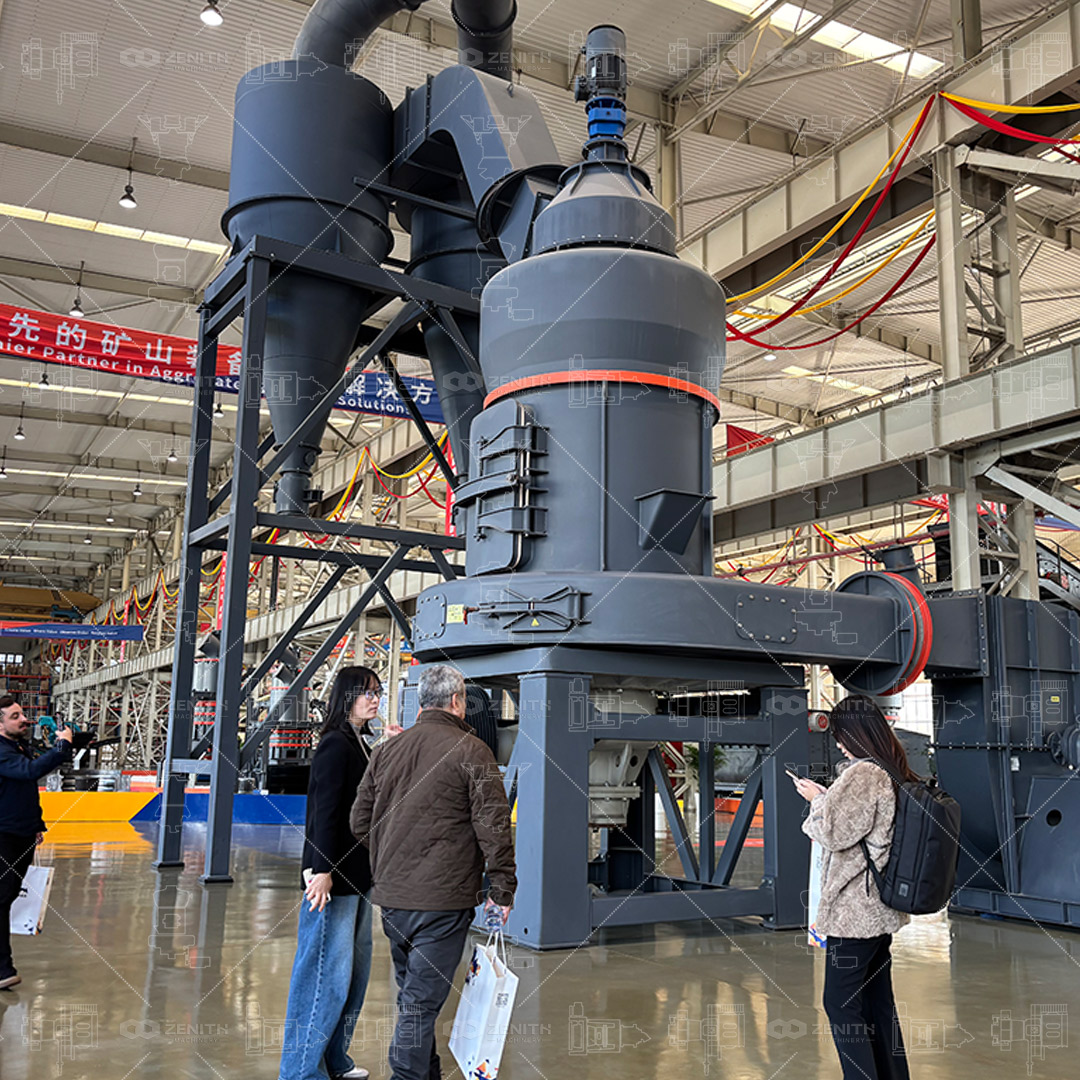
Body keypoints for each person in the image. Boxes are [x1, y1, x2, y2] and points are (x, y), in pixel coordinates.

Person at [350, 664, 515, 1080]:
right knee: (420, 1005)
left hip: (393, 899)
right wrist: (503, 887)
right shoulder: (473, 750)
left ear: (422, 702)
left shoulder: (387, 751)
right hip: (443, 902)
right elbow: (493, 826)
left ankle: (427, 1075)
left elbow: (359, 820)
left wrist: (392, 853)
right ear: (458, 702)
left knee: (414, 997)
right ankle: (406, 1075)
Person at [791, 695, 914, 1080]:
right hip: (877, 909)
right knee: (877, 1003)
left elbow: (833, 832)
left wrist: (816, 803)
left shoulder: (864, 774)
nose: (839, 742)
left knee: (840, 1004)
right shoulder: (890, 769)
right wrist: (830, 798)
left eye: (842, 735)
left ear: (859, 734)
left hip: (855, 913)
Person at [278, 666, 384, 1080]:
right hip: (331, 880)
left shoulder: (360, 743)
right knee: (323, 977)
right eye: (366, 693)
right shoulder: (335, 745)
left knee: (352, 978)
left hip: (357, 877)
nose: (374, 699)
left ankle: (334, 1060)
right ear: (346, 697)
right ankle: (301, 1071)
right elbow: (325, 811)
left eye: (377, 692)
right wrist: (320, 870)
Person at [0, 695, 73, 990]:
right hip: (3, 835)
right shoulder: (2, 752)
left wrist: (35, 825)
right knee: (2, 899)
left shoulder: (18, 747)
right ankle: (3, 968)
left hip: (22, 833)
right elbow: (30, 772)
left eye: (22, 714)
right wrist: (63, 747)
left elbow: (24, 791)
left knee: (8, 896)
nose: (24, 719)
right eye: (15, 716)